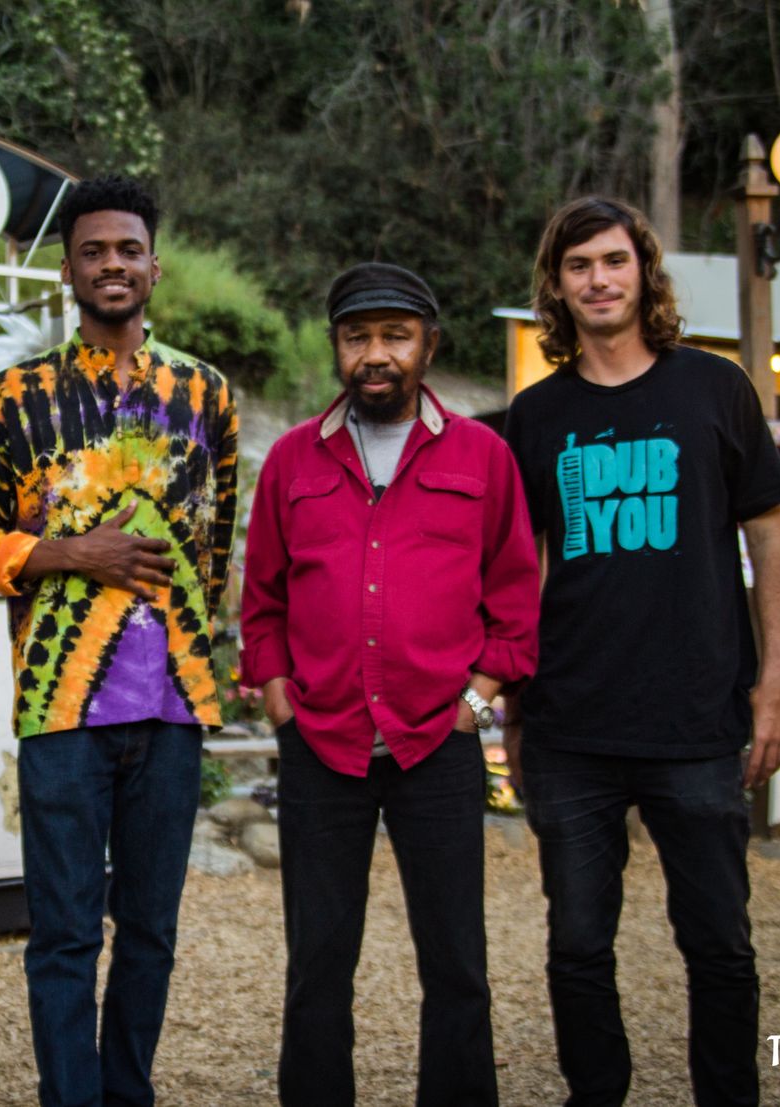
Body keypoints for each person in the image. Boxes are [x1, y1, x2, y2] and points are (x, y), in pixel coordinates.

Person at [0, 175, 237, 1107]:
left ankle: (127, 1092)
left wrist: (190, 645)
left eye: (129, 249)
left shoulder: (206, 394)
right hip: (60, 706)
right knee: (65, 934)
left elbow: (216, 545)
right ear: (67, 271)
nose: (113, 264)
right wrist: (67, 553)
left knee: (151, 931)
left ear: (155, 266)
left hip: (173, 704)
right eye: (94, 251)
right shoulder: (13, 397)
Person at [503, 196, 780, 1107]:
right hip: (571, 724)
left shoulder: (715, 388)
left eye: (614, 260)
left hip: (698, 718)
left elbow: (770, 538)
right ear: (557, 286)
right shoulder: (535, 416)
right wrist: (514, 705)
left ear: (643, 272)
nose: (598, 279)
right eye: (579, 265)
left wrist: (776, 686)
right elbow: (519, 569)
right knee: (577, 946)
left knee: (720, 944)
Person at [239, 262, 539, 1106]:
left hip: (436, 744)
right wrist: (279, 696)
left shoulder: (483, 456)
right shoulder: (293, 459)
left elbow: (515, 600)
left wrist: (475, 705)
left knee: (457, 962)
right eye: (357, 336)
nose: (376, 354)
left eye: (395, 336)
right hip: (322, 745)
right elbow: (262, 601)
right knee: (317, 963)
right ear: (337, 346)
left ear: (428, 345)